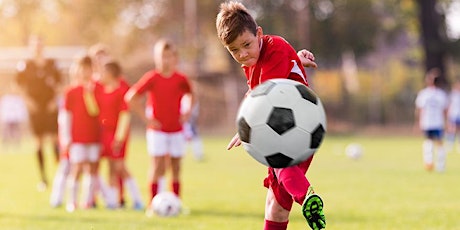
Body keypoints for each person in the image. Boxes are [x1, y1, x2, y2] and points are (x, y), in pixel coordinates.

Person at [216, 2, 325, 230]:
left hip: (294, 127)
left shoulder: (274, 48)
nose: (242, 54)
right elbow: (266, 80)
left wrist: (243, 127)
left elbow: (265, 98)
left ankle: (306, 196)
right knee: (274, 205)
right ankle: (306, 198)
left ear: (259, 33)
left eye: (246, 44)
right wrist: (295, 59)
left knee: (277, 163)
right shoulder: (255, 59)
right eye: (234, 50)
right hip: (288, 125)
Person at [125, 39, 195, 209]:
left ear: (175, 58)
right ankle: (153, 204)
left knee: (176, 167)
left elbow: (192, 94)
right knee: (157, 165)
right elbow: (131, 97)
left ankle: (176, 203)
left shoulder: (181, 78)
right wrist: (146, 119)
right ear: (156, 58)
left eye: (168, 56)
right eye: (161, 56)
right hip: (157, 131)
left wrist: (187, 113)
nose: (165, 60)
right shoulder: (152, 78)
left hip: (176, 130)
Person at [95, 60, 144, 210]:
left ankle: (137, 199)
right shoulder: (102, 90)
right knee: (110, 167)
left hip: (117, 134)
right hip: (105, 133)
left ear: (110, 73)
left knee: (120, 166)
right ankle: (111, 201)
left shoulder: (121, 91)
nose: (100, 74)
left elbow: (124, 115)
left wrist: (119, 138)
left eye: (103, 71)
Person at [16, 35, 62, 191]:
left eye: (40, 45)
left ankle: (61, 174)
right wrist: (28, 102)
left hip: (50, 107)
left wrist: (53, 101)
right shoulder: (26, 65)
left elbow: (59, 84)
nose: (38, 48)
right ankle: (43, 178)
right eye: (35, 45)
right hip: (35, 109)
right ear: (31, 47)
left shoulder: (52, 64)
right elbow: (18, 85)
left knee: (56, 140)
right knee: (39, 142)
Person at [61, 56, 103, 212]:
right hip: (77, 137)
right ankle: (72, 202)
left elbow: (97, 112)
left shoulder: (98, 88)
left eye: (88, 69)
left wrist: (90, 94)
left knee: (92, 168)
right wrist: (67, 137)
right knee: (77, 168)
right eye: (83, 69)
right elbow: (66, 116)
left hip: (94, 136)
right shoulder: (71, 91)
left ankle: (88, 201)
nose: (86, 72)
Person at [415, 68, 449, 172]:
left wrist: (418, 122)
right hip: (438, 122)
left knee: (428, 142)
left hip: (427, 122)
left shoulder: (424, 94)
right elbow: (445, 110)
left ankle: (428, 162)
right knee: (439, 143)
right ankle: (440, 166)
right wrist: (446, 122)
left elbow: (420, 109)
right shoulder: (441, 94)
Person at [0, 82, 28, 150]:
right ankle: (6, 143)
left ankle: (16, 143)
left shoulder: (18, 99)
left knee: (16, 131)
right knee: (7, 131)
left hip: (16, 118)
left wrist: (22, 117)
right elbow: (3, 108)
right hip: (8, 118)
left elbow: (21, 108)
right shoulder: (5, 98)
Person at [445, 79, 460, 153]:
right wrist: (448, 115)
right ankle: (450, 144)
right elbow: (449, 105)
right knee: (452, 130)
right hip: (454, 114)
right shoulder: (452, 95)